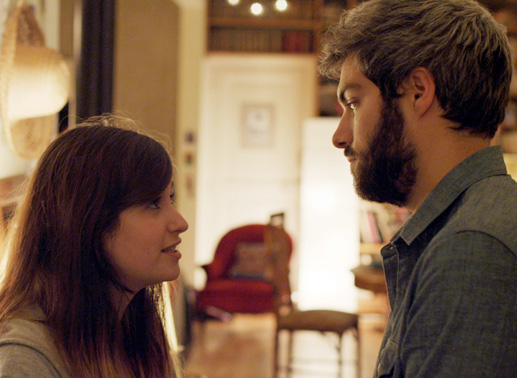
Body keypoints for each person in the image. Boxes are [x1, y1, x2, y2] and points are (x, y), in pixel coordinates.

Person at [319, 0, 517, 377]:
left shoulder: (472, 248)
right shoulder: (472, 226)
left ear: (417, 91)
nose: (340, 135)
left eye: (355, 103)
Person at [0, 115, 189, 377]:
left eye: (170, 199)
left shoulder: (138, 327)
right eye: (153, 204)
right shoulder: (26, 358)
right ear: (90, 221)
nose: (180, 222)